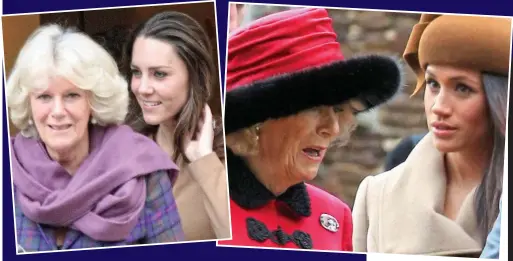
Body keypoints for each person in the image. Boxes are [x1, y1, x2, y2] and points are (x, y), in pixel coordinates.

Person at [217, 8, 402, 251]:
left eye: (337, 109)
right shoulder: (196, 210)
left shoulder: (336, 216)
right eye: (314, 109)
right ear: (257, 120)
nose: (332, 128)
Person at [6, 24, 185, 252]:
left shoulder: (144, 172)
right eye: (44, 97)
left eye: (72, 95)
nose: (58, 111)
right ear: (28, 103)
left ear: (93, 102)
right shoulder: (9, 170)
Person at [352, 14, 510, 257]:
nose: (439, 106)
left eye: (462, 88)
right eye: (433, 84)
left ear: (500, 99)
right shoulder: (377, 196)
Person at [122, 11, 229, 241]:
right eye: (136, 72)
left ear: (195, 77)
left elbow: (240, 243)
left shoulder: (233, 152)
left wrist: (203, 160)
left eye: (159, 74)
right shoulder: (121, 148)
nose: (142, 88)